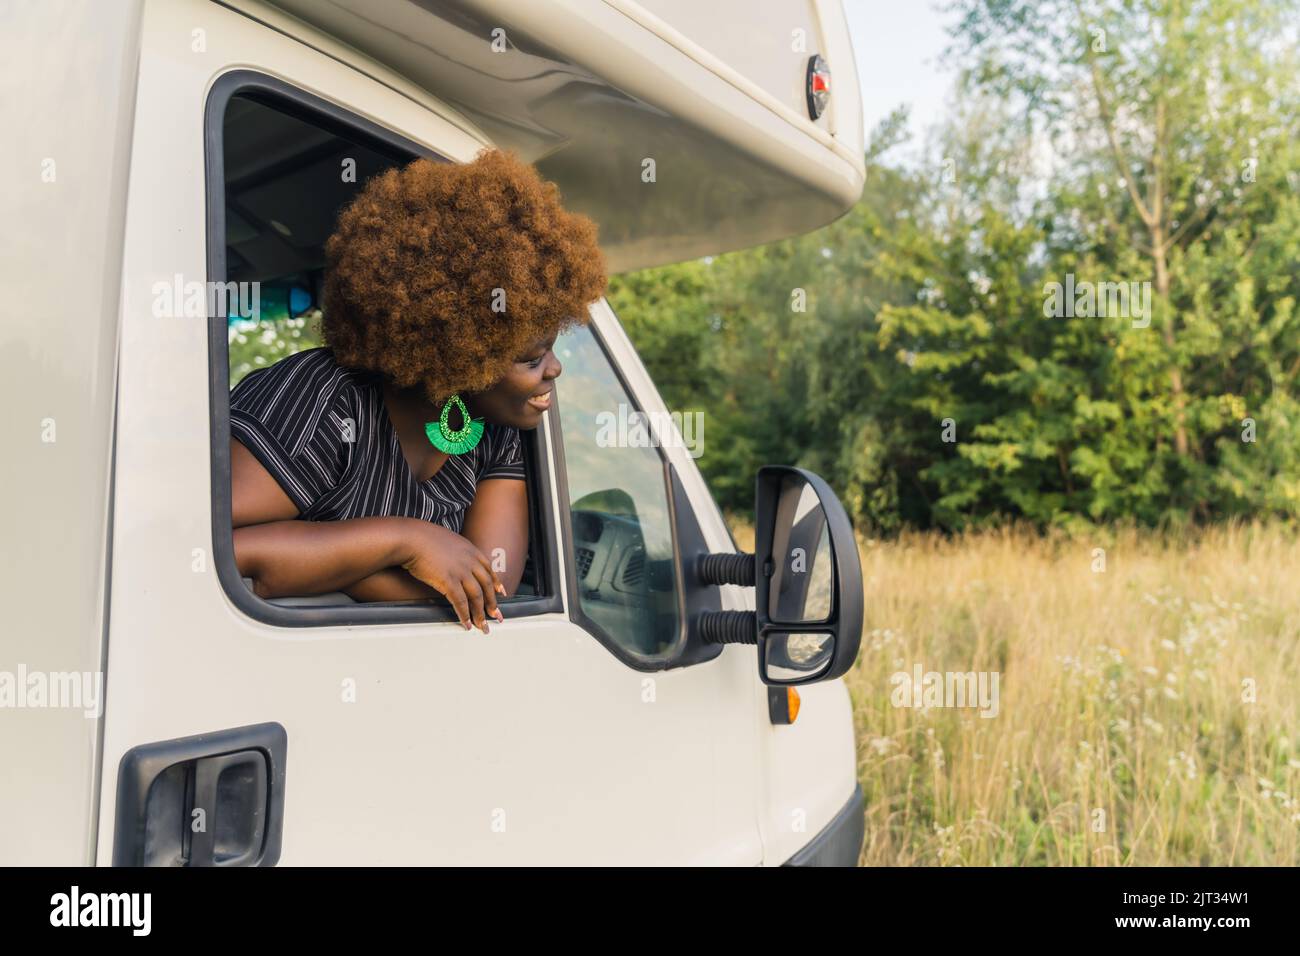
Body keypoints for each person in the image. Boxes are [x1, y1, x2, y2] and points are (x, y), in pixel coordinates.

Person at [229, 149, 607, 633]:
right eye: (530, 359)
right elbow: (219, 556)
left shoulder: (492, 429)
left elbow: (488, 593)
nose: (553, 370)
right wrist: (405, 542)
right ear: (455, 353)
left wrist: (337, 563)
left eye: (552, 351)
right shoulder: (320, 401)